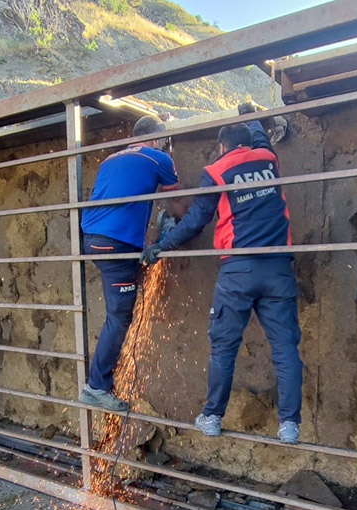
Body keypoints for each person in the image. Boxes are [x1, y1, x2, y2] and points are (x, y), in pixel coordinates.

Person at [142, 104, 303, 444]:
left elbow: (197, 219)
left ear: (222, 146)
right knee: (286, 348)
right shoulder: (269, 160)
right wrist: (253, 117)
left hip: (239, 271)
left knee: (224, 347)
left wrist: (162, 245)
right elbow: (260, 139)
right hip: (278, 267)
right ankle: (290, 425)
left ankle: (212, 417)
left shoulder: (218, 170)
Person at [79, 115, 179, 412]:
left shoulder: (111, 158)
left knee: (121, 303)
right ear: (156, 137)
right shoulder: (159, 158)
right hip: (116, 244)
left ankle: (98, 383)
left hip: (94, 240)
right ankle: (96, 387)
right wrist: (179, 229)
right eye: (162, 137)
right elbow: (178, 203)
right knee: (120, 316)